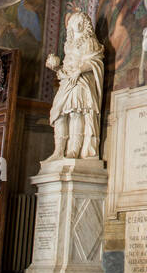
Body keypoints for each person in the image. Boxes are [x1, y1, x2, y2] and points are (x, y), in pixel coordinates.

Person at [44, 11, 106, 161]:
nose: (77, 24)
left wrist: (79, 71)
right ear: (70, 25)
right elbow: (66, 65)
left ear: (86, 24)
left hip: (81, 82)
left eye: (80, 21)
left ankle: (74, 150)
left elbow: (95, 62)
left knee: (76, 112)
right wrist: (56, 67)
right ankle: (59, 151)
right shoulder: (68, 45)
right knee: (58, 115)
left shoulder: (89, 42)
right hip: (67, 82)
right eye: (74, 21)